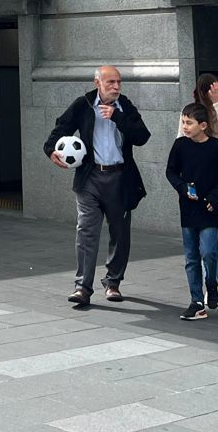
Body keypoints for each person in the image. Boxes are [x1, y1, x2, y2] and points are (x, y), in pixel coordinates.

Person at [43, 65, 151, 306]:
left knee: (119, 233)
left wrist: (117, 117)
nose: (116, 86)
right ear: (97, 83)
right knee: (86, 231)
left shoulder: (125, 107)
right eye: (110, 82)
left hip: (120, 178)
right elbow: (60, 128)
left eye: (119, 82)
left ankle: (113, 283)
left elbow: (142, 136)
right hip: (89, 178)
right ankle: (82, 287)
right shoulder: (83, 105)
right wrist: (51, 150)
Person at [167, 102, 218, 320]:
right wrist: (182, 187)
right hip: (188, 207)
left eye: (189, 123)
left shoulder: (217, 147)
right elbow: (171, 172)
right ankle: (196, 302)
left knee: (208, 251)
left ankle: (211, 284)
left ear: (203, 125)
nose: (184, 127)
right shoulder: (180, 145)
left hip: (210, 208)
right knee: (191, 257)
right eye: (183, 122)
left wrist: (216, 197)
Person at [179, 73, 218, 291]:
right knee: (206, 232)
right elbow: (182, 142)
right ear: (206, 91)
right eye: (216, 89)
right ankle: (211, 281)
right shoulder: (191, 112)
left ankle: (212, 271)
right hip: (197, 178)